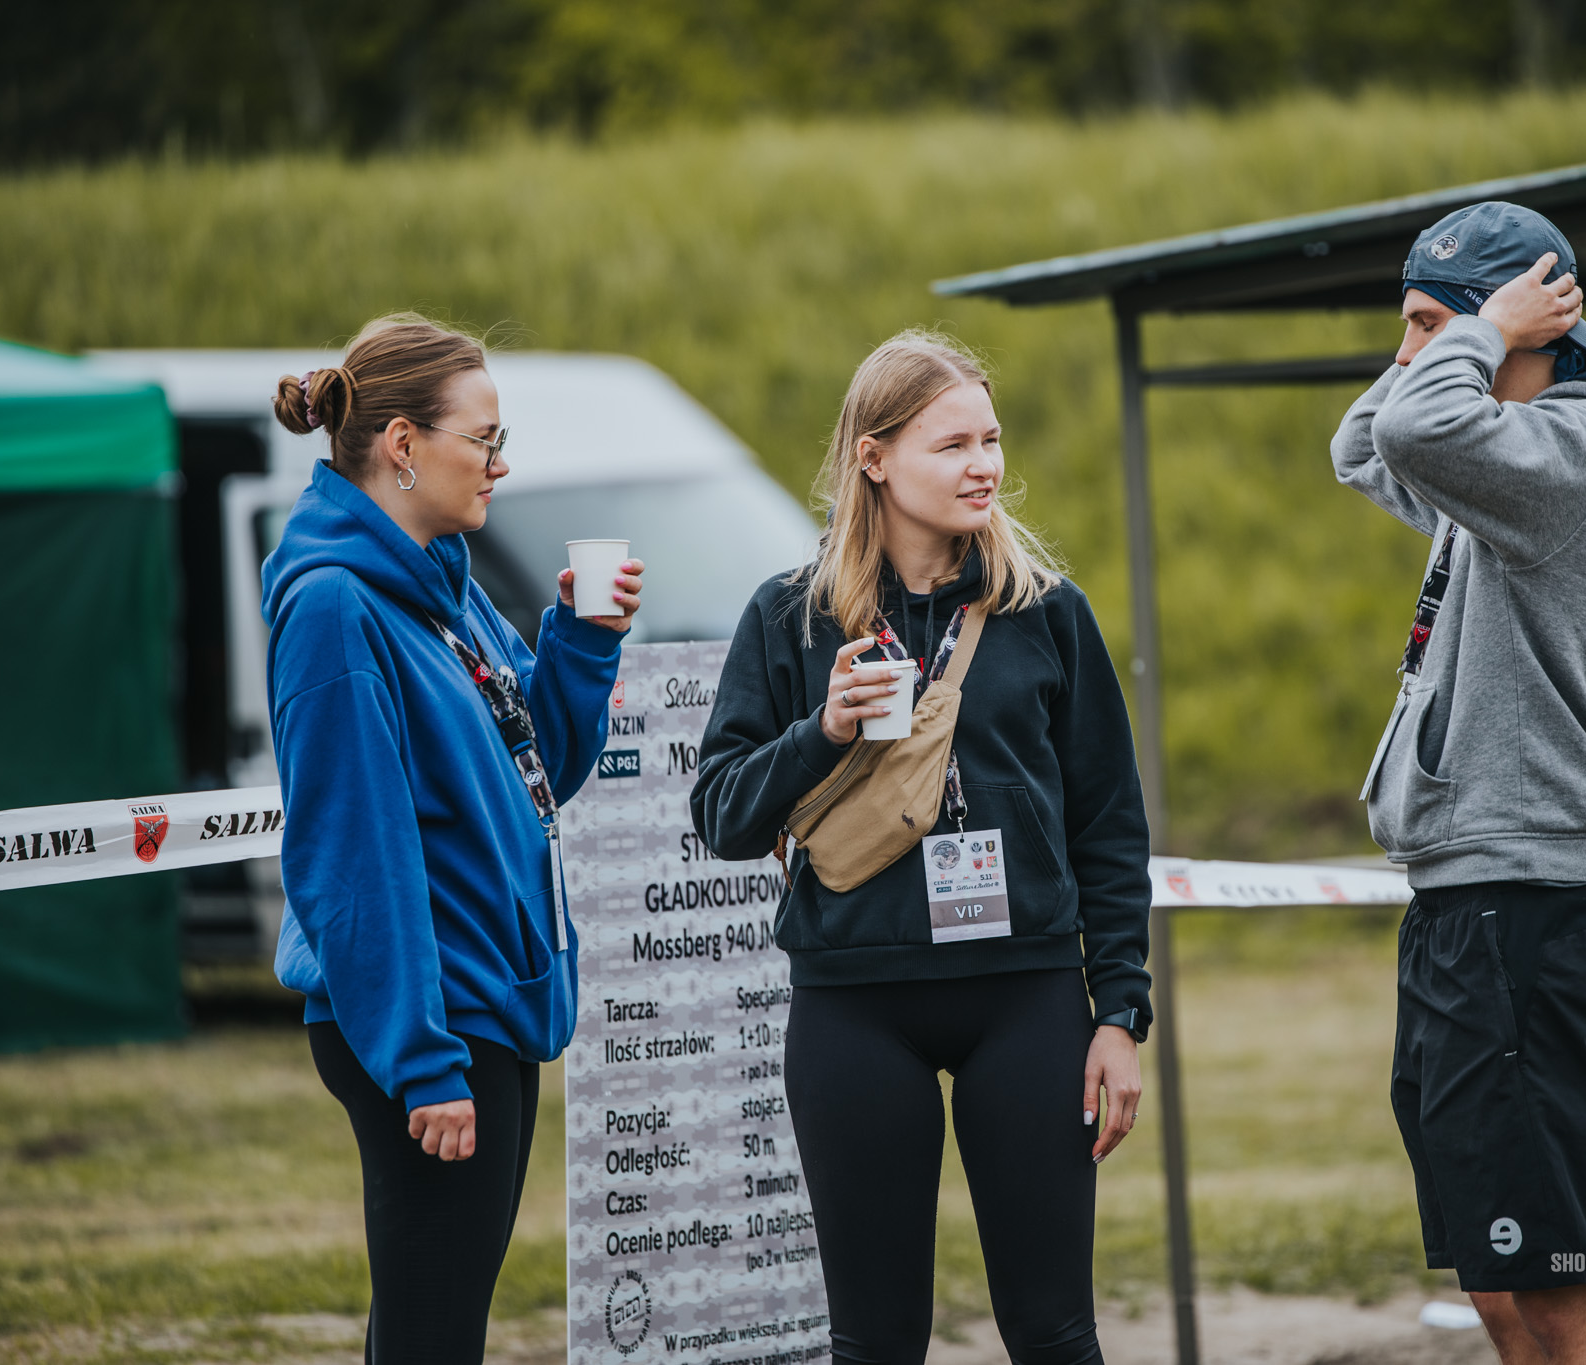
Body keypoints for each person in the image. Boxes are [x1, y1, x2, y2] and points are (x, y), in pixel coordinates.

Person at [692, 331, 1150, 1365]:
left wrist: (1120, 1012)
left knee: (1054, 1334)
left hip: (1026, 998)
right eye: (953, 445)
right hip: (854, 1005)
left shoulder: (1046, 612)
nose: (984, 465)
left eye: (990, 439)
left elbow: (1110, 827)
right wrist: (824, 730)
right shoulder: (789, 617)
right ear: (874, 457)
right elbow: (723, 818)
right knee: (875, 1343)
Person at [1332, 202, 1586, 1365]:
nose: (1408, 355)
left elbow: (1412, 427)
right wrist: (1460, 333)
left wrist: (1481, 329)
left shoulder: (1581, 458)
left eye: (1425, 326)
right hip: (1470, 909)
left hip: (1524, 916)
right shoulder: (1504, 451)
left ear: (1523, 323)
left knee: (1561, 1293)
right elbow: (1367, 444)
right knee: (1499, 1286)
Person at [264, 314, 643, 1362]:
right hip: (431, 1017)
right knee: (433, 1331)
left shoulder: (444, 587)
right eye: (484, 439)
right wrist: (424, 1061)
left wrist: (582, 643)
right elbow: (352, 856)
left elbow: (535, 770)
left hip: (481, 1003)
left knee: (436, 1324)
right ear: (401, 444)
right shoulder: (335, 608)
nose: (500, 462)